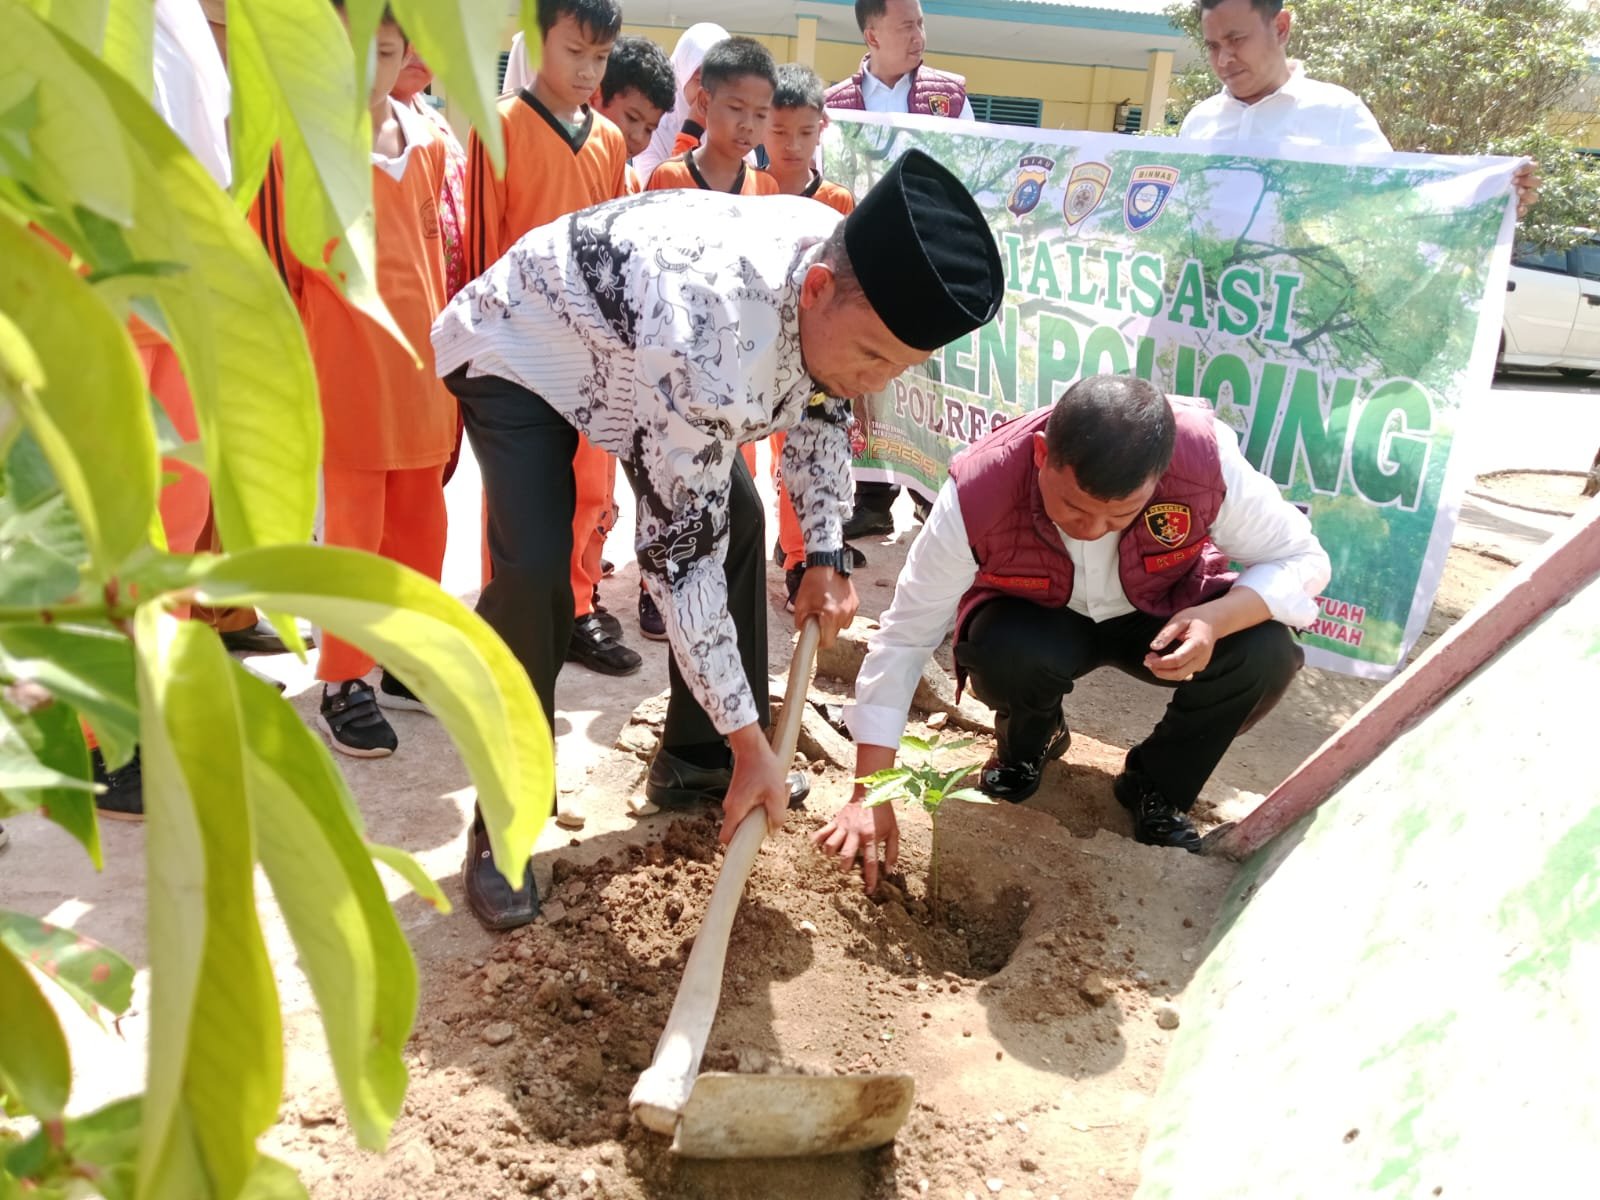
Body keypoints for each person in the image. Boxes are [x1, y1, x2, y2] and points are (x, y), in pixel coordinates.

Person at [432, 148, 1005, 930]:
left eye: (898, 368)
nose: (878, 379)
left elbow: (824, 402)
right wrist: (752, 739)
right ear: (816, 288)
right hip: (525, 341)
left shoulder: (834, 267)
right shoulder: (710, 340)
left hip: (640, 348)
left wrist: (823, 554)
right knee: (534, 574)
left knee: (744, 524)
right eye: (874, 355)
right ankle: (507, 820)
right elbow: (678, 559)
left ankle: (696, 760)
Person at [815, 375, 1331, 887]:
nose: (1092, 529)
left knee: (1265, 654)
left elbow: (1303, 559)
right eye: (1074, 508)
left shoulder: (1204, 461)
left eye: (1121, 514)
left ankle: (1156, 786)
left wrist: (1218, 620)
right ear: (1042, 454)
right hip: (1040, 614)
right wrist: (869, 793)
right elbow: (905, 637)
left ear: (1159, 479)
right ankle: (1031, 743)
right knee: (1001, 651)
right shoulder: (979, 490)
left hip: (1161, 610)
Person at [254, 3, 456, 757]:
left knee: (421, 528)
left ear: (404, 54)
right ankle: (343, 680)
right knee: (351, 537)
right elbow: (272, 268)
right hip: (344, 376)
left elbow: (437, 253)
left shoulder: (426, 141)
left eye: (381, 50)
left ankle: (402, 659)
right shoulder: (292, 143)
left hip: (421, 378)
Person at [465, 0, 633, 676]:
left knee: (589, 488)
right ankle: (504, 624)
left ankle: (578, 608)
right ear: (535, 43)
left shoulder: (609, 140)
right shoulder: (497, 127)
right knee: (515, 504)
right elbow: (480, 248)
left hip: (589, 354)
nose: (589, 70)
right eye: (575, 51)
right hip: (516, 354)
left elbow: (614, 249)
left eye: (601, 57)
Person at [825, 0, 974, 545]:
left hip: (928, 259)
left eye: (921, 23)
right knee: (865, 374)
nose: (919, 35)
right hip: (862, 260)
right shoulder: (835, 105)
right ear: (872, 35)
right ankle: (871, 500)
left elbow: (969, 170)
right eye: (906, 25)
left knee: (925, 380)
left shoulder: (948, 98)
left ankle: (929, 496)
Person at [1181, 0, 1538, 214]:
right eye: (1212, 46)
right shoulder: (1199, 121)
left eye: (1236, 39)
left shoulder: (1337, 114)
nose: (1224, 59)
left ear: (1281, 27)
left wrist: (1490, 198)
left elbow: (1398, 204)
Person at [763, 63, 857, 610]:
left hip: (810, 357)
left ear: (822, 126)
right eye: (779, 130)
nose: (791, 144)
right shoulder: (750, 190)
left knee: (802, 454)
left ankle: (800, 557)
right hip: (752, 350)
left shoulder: (838, 201)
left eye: (804, 131)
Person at [646, 37, 779, 196]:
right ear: (704, 102)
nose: (748, 125)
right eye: (736, 108)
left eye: (761, 114)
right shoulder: (668, 177)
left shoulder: (765, 187)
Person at [633, 22, 728, 183]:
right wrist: (691, 131)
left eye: (721, 82)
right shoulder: (654, 126)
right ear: (682, 75)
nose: (709, 92)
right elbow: (654, 190)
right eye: (700, 80)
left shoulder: (734, 126)